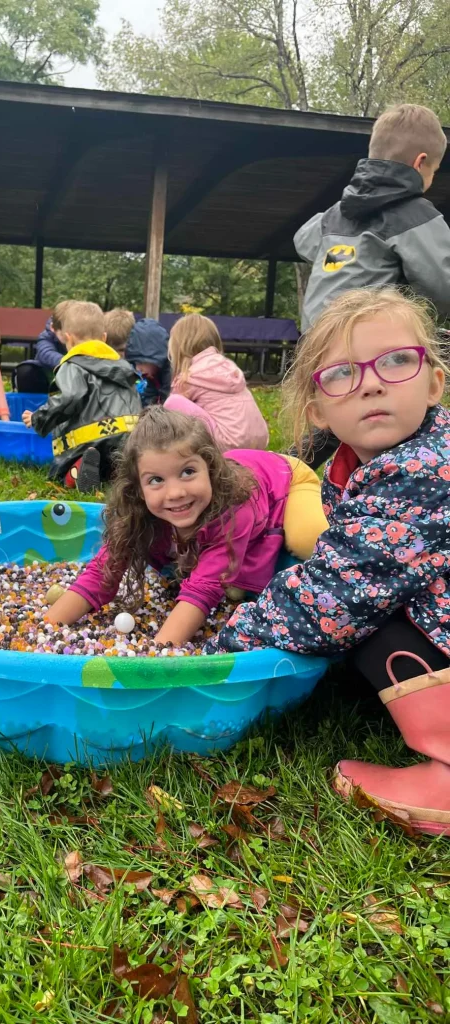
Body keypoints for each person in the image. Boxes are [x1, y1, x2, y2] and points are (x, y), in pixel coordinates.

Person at [203, 288, 450, 836]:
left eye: (396, 361)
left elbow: (336, 597)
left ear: (434, 381)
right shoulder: (369, 460)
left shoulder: (422, 470)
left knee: (370, 616)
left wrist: (224, 645)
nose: (372, 381)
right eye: (341, 373)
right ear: (319, 409)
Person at [47, 407, 327, 646]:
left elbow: (202, 591)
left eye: (188, 472)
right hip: (235, 496)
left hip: (284, 477)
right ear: (138, 489)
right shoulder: (138, 513)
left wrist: (157, 654)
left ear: (211, 470)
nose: (175, 492)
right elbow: (102, 572)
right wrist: (49, 627)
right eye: (156, 480)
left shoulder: (233, 509)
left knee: (309, 541)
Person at [295, 103, 450, 332]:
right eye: (433, 171)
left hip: (316, 343)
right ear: (420, 162)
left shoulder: (336, 213)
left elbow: (303, 241)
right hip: (369, 348)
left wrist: (343, 257)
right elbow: (443, 287)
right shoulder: (417, 216)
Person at [21, 301, 142, 491]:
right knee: (114, 468)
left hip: (91, 441)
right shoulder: (123, 367)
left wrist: (39, 418)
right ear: (103, 337)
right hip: (129, 438)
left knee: (59, 473)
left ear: (68, 339)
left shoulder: (72, 366)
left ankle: (75, 471)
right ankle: (119, 474)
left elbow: (70, 396)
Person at [163, 313, 269, 450]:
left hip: (227, 443)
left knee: (173, 402)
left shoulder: (190, 377)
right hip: (258, 440)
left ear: (179, 347)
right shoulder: (229, 369)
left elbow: (173, 418)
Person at [14, 300, 72, 394]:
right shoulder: (46, 336)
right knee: (25, 370)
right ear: (53, 328)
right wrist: (70, 362)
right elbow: (45, 353)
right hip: (48, 376)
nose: (68, 337)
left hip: (71, 379)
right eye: (64, 334)